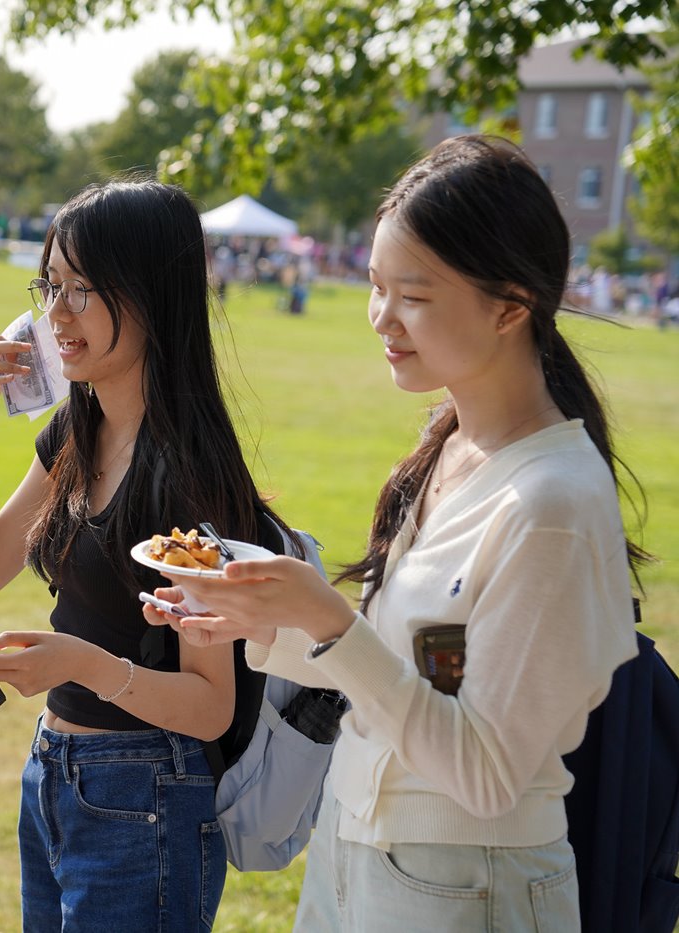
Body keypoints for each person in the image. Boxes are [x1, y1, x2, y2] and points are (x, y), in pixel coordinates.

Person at [146, 135, 644, 931]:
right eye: (376, 285)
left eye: (413, 295)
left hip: (466, 883)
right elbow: (413, 675)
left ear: (511, 304)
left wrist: (330, 619)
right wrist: (265, 624)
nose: (381, 316)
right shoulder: (447, 450)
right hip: (355, 849)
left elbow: (483, 775)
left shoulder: (551, 502)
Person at [0, 178, 301, 931]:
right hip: (53, 775)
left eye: (83, 289)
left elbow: (210, 705)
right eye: (52, 286)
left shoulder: (190, 476)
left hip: (146, 791)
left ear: (149, 297)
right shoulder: (78, 431)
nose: (56, 314)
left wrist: (76, 661)